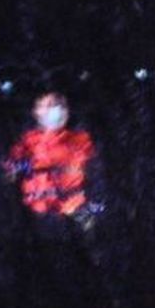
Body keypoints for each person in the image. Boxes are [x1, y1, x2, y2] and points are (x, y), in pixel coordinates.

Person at [6, 93, 95, 221]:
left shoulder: (80, 139)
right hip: (35, 213)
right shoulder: (28, 140)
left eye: (54, 105)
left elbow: (98, 171)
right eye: (44, 105)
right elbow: (7, 170)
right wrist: (18, 166)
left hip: (73, 210)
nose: (51, 109)